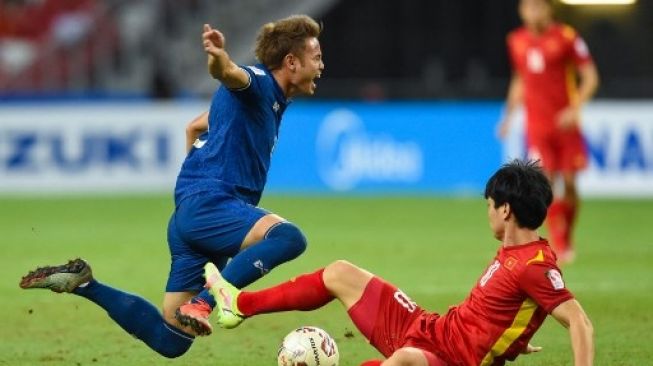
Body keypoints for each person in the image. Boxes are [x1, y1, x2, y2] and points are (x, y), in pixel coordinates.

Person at [19, 14, 324, 358]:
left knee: (172, 339)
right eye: (317, 58)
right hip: (214, 205)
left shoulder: (267, 104)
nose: (322, 65)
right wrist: (218, 57)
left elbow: (194, 127)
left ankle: (84, 282)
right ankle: (205, 303)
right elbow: (229, 74)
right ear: (291, 62)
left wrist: (194, 185)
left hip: (192, 216)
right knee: (288, 238)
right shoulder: (259, 83)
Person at [204, 160, 594, 366]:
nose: (488, 212)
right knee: (340, 273)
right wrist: (511, 341)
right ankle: (237, 305)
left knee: (403, 360)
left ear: (506, 210)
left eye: (490, 205)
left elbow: (579, 321)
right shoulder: (517, 252)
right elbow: (507, 311)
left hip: (449, 359)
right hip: (434, 330)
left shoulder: (534, 265)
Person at [497, 0, 599, 264]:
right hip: (537, 127)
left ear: (548, 10)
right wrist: (507, 117)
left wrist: (575, 108)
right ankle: (559, 242)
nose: (534, 12)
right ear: (521, 10)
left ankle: (568, 232)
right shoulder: (516, 41)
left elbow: (590, 77)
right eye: (529, 7)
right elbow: (519, 79)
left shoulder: (566, 37)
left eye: (538, 7)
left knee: (571, 183)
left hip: (565, 126)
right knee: (547, 183)